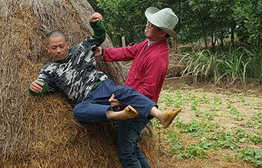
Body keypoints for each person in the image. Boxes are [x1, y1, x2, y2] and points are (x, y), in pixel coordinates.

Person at [28, 12, 181, 128]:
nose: (59, 50)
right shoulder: (49, 69)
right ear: (48, 50)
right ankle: (120, 115)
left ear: (67, 44)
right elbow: (41, 85)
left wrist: (95, 23)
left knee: (125, 92)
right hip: (86, 100)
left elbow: (99, 36)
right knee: (79, 112)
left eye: (61, 46)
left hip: (102, 86)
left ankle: (160, 115)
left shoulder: (80, 49)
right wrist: (34, 87)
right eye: (54, 48)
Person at [93, 7, 179, 168]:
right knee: (132, 146)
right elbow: (128, 51)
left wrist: (122, 100)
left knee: (126, 152)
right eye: (148, 22)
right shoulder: (148, 44)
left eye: (152, 25)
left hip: (138, 109)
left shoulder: (158, 57)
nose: (147, 26)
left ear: (162, 32)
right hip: (134, 103)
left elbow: (147, 91)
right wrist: (103, 53)